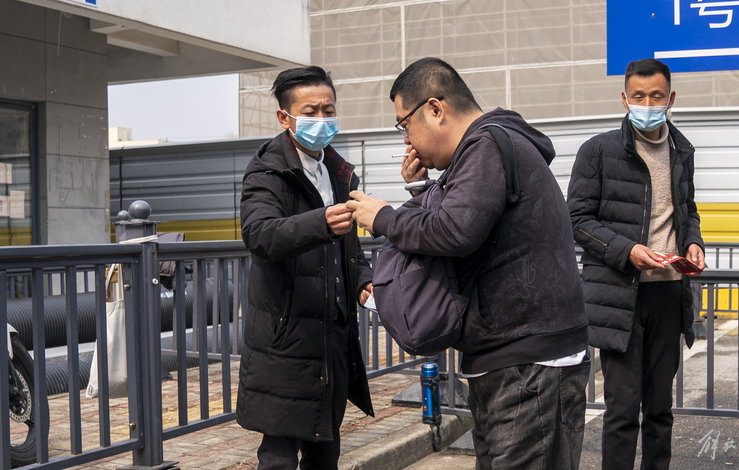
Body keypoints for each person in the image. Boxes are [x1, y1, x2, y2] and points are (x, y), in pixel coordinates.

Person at [347, 57, 590, 469]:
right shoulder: (487, 148)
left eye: (404, 125)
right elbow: (468, 222)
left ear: (435, 109)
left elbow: (456, 231)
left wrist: (385, 217)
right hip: (515, 358)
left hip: (527, 365)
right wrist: (421, 189)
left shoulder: (486, 145)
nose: (407, 141)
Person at [567, 58, 705, 470]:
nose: (648, 103)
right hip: (619, 297)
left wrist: (693, 241)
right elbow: (576, 219)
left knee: (660, 409)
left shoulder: (682, 150)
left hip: (668, 291)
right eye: (639, 96)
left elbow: (687, 209)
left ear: (671, 99)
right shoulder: (598, 151)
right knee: (622, 411)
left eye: (657, 96)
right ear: (625, 99)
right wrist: (627, 250)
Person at [236, 66, 374, 470]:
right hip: (286, 339)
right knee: (278, 455)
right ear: (284, 118)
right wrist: (321, 222)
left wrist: (363, 280)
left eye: (327, 110)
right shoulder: (267, 171)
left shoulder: (339, 169)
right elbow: (259, 234)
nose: (321, 120)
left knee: (325, 451)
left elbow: (350, 246)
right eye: (310, 111)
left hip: (331, 337)